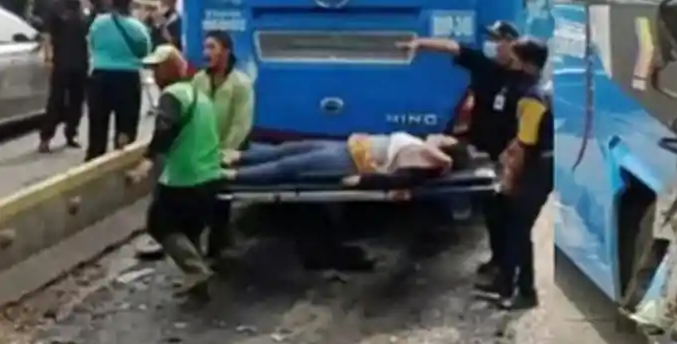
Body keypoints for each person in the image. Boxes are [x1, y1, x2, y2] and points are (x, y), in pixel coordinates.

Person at [412, 21, 523, 282]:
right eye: (493, 40)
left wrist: (514, 161)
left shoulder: (523, 81)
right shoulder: (485, 67)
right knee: (491, 212)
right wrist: (420, 44)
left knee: (510, 216)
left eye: (500, 40)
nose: (495, 45)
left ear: (513, 45)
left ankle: (512, 271)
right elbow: (453, 47)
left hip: (510, 155)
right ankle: (498, 261)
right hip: (483, 152)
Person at [126, 44, 223, 296]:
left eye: (157, 69)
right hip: (210, 175)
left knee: (159, 223)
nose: (154, 76)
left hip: (185, 176)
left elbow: (164, 129)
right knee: (190, 229)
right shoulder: (199, 95)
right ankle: (198, 284)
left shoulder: (173, 96)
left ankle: (195, 271)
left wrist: (146, 163)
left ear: (167, 70)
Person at [479, 38, 552, 311]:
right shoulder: (540, 89)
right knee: (510, 225)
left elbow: (524, 145)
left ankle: (526, 292)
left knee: (519, 229)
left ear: (526, 62)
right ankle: (505, 283)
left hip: (538, 169)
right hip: (539, 163)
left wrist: (508, 179)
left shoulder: (531, 99)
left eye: (515, 56)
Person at [191, 31, 255, 261]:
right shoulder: (198, 81)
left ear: (226, 51)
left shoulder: (240, 83)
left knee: (219, 199)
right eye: (205, 47)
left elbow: (241, 123)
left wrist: (225, 152)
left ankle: (217, 244)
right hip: (201, 150)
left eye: (212, 47)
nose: (207, 53)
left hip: (227, 151)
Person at [222, 132, 468, 185]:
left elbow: (394, 180)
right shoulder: (424, 149)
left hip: (348, 161)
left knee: (289, 166)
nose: (440, 136)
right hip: (348, 147)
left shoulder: (427, 159)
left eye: (446, 139)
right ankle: (238, 157)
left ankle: (234, 174)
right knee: (289, 148)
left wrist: (361, 181)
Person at [86, 0, 151, 160]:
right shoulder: (137, 27)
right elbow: (145, 51)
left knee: (97, 125)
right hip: (127, 78)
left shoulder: (98, 23)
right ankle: (123, 160)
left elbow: (92, 44)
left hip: (99, 76)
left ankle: (94, 160)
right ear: (129, 5)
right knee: (126, 126)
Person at [38, 0, 89, 152]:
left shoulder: (84, 12)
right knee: (57, 101)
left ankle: (70, 133)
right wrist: (48, 56)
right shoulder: (56, 11)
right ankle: (47, 137)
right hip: (63, 62)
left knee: (75, 101)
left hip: (79, 63)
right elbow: (46, 35)